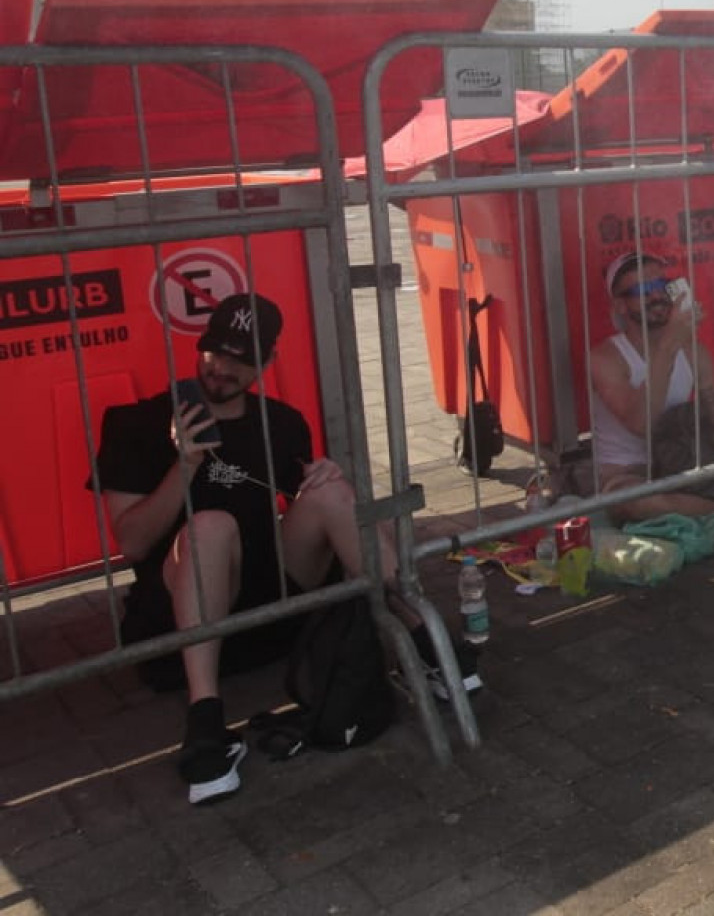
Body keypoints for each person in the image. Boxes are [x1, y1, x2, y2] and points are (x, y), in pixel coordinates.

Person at [90, 293, 479, 808]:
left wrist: (324, 480)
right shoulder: (135, 423)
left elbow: (310, 506)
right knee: (210, 526)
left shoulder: (281, 421)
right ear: (200, 346)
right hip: (182, 617)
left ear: (267, 362)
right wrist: (184, 466)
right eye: (216, 351)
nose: (223, 367)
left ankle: (423, 640)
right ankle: (205, 722)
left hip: (271, 608)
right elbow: (132, 543)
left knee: (336, 493)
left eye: (241, 358)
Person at [587, 252, 714, 551]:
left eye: (662, 285)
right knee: (629, 501)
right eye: (643, 290)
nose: (657, 296)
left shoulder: (693, 351)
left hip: (688, 459)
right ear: (620, 305)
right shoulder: (605, 358)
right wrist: (668, 345)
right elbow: (641, 423)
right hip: (634, 473)